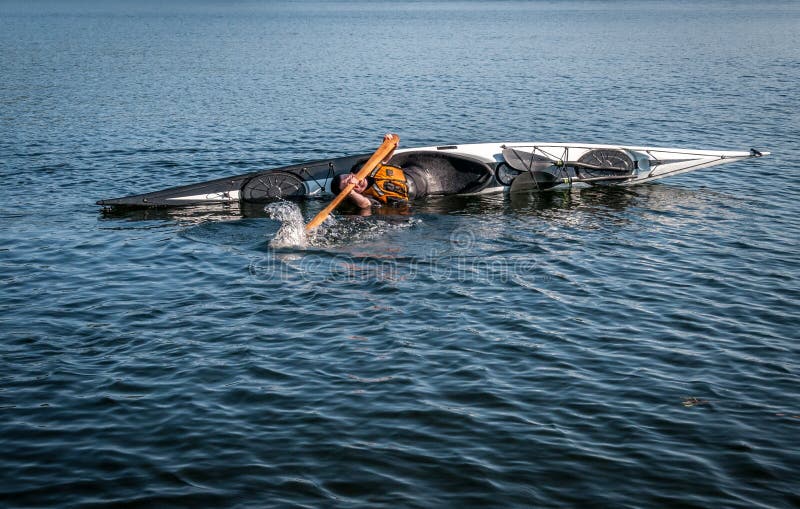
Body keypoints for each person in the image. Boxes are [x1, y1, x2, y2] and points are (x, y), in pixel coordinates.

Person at [329, 136, 412, 209]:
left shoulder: (361, 168)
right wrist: (350, 192)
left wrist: (389, 147)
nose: (353, 179)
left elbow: (383, 160)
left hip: (414, 172)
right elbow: (365, 204)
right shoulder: (364, 197)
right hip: (417, 193)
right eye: (349, 183)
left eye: (350, 176)